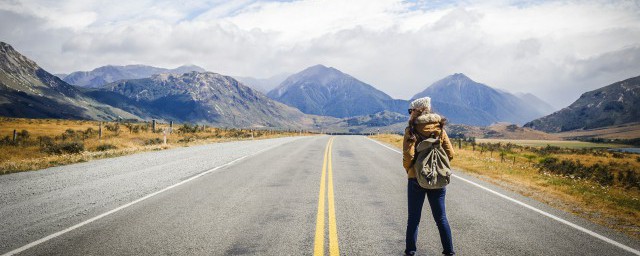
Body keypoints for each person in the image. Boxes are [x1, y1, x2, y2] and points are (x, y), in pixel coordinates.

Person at [402, 97, 455, 256]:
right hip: (438, 178)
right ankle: (449, 252)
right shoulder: (440, 128)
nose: (409, 113)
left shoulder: (411, 130)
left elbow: (408, 157)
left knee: (414, 219)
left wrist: (410, 170)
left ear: (416, 111)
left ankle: (411, 251)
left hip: (416, 179)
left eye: (410, 111)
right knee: (441, 219)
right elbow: (450, 154)